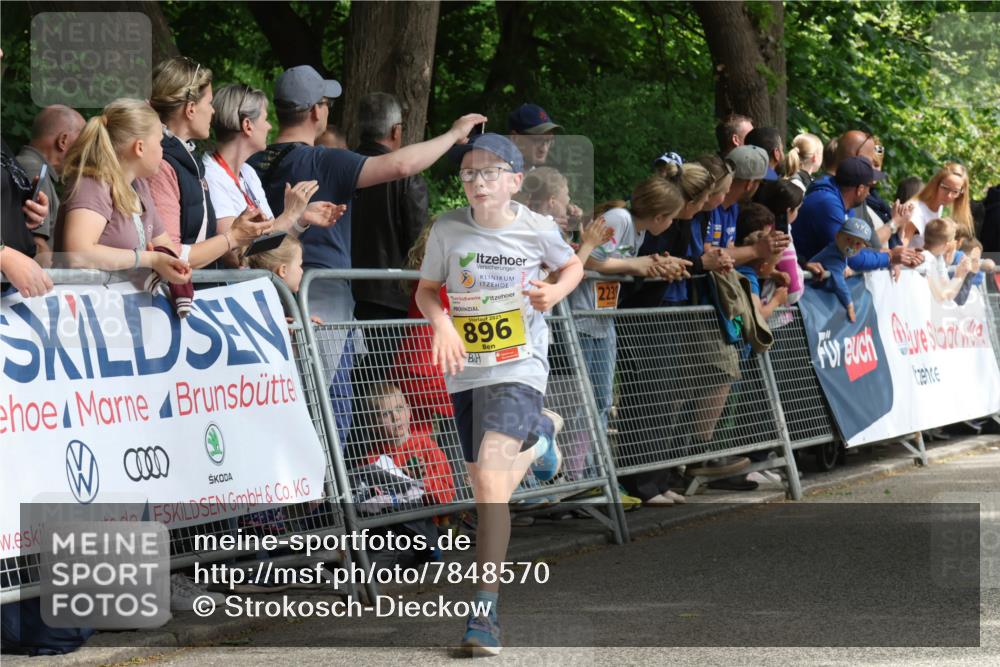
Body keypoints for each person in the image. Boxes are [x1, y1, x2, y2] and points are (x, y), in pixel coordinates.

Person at [246, 64, 485, 456]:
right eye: (326, 104)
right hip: (321, 301)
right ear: (316, 111)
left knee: (284, 402)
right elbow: (401, 165)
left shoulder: (254, 162)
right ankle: (330, 508)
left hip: (265, 295)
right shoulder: (322, 160)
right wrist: (455, 135)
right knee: (329, 408)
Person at [415, 133, 582, 655]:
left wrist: (554, 290)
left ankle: (483, 612)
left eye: (489, 173)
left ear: (514, 180)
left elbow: (572, 264)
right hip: (467, 372)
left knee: (489, 476)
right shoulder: (447, 228)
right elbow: (425, 289)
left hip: (519, 366)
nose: (478, 181)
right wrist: (441, 323)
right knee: (487, 489)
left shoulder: (538, 229)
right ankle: (540, 440)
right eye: (468, 173)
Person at [147, 57, 273, 269]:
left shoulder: (187, 160)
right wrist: (232, 237)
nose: (213, 112)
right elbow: (171, 256)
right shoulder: (160, 165)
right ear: (191, 109)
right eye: (209, 103)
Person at [204, 83, 343, 268]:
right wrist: (289, 216)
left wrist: (300, 218)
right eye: (265, 119)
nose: (270, 126)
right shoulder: (210, 175)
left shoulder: (248, 173)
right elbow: (237, 255)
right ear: (248, 126)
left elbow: (268, 246)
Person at [55, 99, 190, 284]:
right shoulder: (92, 182)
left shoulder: (139, 186)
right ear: (140, 147)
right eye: (159, 142)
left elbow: (165, 246)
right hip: (88, 307)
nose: (162, 150)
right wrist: (148, 259)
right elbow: (79, 253)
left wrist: (167, 259)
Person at [350, 92, 430, 321]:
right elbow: (419, 242)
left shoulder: (340, 168)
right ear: (396, 130)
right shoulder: (408, 179)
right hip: (393, 297)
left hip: (342, 289)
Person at [794, 156, 922, 270]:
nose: (868, 193)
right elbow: (851, 256)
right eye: (869, 187)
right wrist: (890, 257)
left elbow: (860, 248)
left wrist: (893, 253)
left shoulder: (841, 201)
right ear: (860, 189)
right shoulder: (828, 204)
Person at [364, 382, 457, 506]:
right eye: (386, 414)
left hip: (424, 518)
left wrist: (421, 480)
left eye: (399, 408)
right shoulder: (372, 459)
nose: (395, 417)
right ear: (373, 424)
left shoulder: (427, 447)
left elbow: (447, 496)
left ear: (409, 411)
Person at [16, 105, 86, 261]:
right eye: (83, 143)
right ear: (63, 140)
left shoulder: (25, 166)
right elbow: (38, 247)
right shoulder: (34, 170)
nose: (85, 153)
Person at [806, 217, 878, 322]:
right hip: (806, 295)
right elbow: (840, 284)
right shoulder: (834, 257)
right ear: (837, 236)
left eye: (858, 244)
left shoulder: (839, 252)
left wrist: (846, 267)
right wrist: (849, 305)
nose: (852, 246)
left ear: (863, 247)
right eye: (848, 239)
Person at [753, 179, 805, 304]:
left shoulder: (754, 226)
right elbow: (793, 291)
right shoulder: (782, 241)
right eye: (797, 209)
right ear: (788, 211)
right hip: (774, 316)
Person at [902, 163, 974, 248]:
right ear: (936, 184)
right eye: (945, 188)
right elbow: (899, 251)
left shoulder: (939, 207)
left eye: (955, 191)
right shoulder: (916, 210)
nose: (949, 195)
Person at [912, 218, 972, 303]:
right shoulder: (926, 260)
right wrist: (959, 276)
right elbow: (942, 296)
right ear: (947, 245)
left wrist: (961, 274)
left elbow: (948, 292)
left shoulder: (938, 258)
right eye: (953, 239)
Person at [737, 229, 789, 319]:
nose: (774, 269)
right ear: (763, 267)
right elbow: (758, 316)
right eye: (774, 265)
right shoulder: (749, 279)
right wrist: (776, 300)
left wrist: (774, 273)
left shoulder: (738, 266)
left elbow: (760, 267)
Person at [507, 103, 561, 170]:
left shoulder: (538, 176)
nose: (544, 149)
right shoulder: (497, 176)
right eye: (538, 140)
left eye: (548, 140)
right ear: (515, 138)